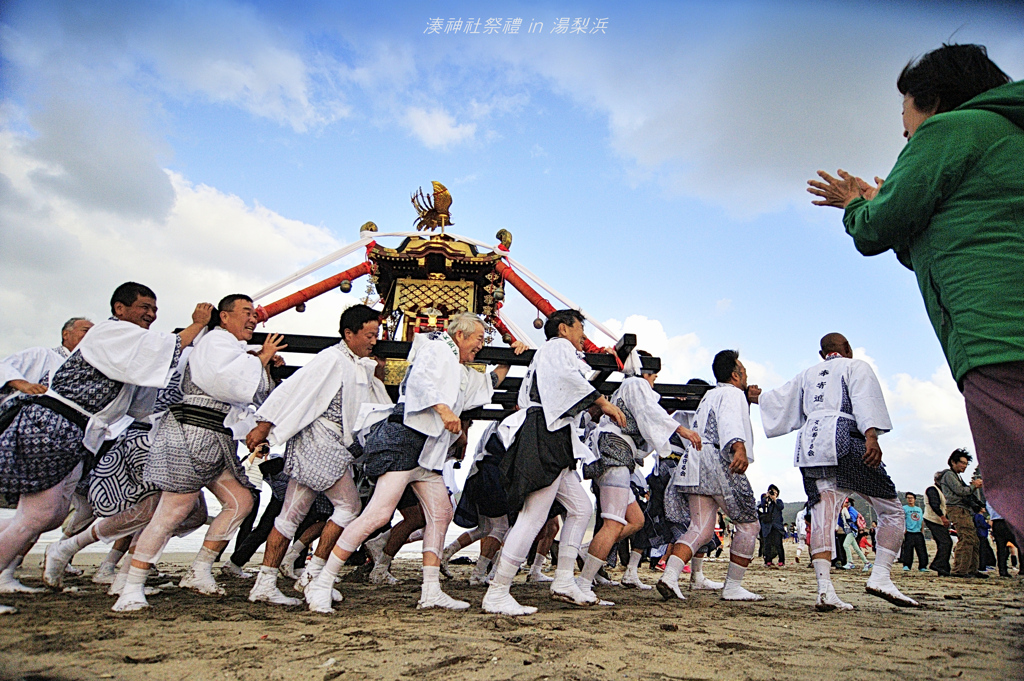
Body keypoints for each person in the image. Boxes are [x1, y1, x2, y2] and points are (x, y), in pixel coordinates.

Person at [808, 43, 1024, 545]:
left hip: (995, 333)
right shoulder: (1009, 135)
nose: (904, 130)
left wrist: (858, 203)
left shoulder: (950, 130)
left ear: (930, 100)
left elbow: (877, 230)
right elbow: (928, 245)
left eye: (906, 113)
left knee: (1016, 473)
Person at [0, 283, 211, 600]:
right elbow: (163, 349)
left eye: (154, 309)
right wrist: (197, 324)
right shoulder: (109, 333)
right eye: (144, 307)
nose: (151, 315)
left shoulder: (129, 346)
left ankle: (11, 571)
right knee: (39, 514)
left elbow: (141, 403)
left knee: (52, 514)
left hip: (79, 432)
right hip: (54, 422)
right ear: (119, 309)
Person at [303, 313, 521, 613]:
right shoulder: (435, 347)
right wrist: (444, 410)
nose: (481, 346)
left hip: (427, 454)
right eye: (479, 339)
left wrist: (508, 359)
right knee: (378, 515)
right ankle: (322, 582)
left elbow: (484, 385)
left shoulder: (460, 369)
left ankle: (431, 590)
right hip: (405, 441)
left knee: (441, 513)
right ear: (460, 335)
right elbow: (420, 381)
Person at [112, 294, 284, 612]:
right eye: (246, 312)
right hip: (191, 430)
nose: (253, 318)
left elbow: (254, 393)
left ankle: (199, 569)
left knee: (242, 502)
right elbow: (227, 383)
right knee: (172, 512)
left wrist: (263, 365)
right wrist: (260, 360)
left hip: (216, 435)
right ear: (225, 317)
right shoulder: (215, 342)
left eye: (253, 313)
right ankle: (130, 586)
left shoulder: (232, 349)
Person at [242, 304, 391, 606]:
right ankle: (314, 574)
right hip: (320, 441)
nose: (373, 341)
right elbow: (294, 389)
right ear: (349, 334)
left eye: (376, 335)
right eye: (369, 335)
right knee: (349, 507)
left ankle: (265, 583)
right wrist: (264, 425)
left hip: (324, 444)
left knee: (290, 515)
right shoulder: (332, 358)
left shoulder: (355, 364)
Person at [754, 333, 917, 609]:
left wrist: (754, 397)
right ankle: (880, 576)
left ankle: (824, 590)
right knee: (891, 510)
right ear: (848, 349)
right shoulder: (855, 366)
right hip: (846, 440)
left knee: (822, 517)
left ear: (822, 355)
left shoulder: (807, 374)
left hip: (811, 447)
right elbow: (865, 400)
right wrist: (871, 436)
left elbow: (778, 399)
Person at [481, 309, 627, 616]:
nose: (582, 336)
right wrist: (603, 403)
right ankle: (497, 591)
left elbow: (533, 397)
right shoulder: (559, 347)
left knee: (580, 508)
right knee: (533, 516)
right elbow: (569, 380)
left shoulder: (544, 355)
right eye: (579, 329)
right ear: (563, 329)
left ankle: (563, 580)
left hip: (549, 432)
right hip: (547, 433)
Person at [576, 351, 702, 602]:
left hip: (616, 452)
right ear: (645, 372)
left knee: (635, 520)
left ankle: (584, 552)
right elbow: (649, 413)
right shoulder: (634, 384)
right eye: (654, 375)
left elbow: (648, 414)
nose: (654, 380)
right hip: (615, 450)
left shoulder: (629, 388)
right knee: (613, 522)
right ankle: (583, 583)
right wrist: (681, 430)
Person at [656, 350, 763, 603]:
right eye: (744, 371)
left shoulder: (709, 396)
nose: (746, 376)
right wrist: (738, 446)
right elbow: (729, 422)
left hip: (695, 461)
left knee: (700, 528)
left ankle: (670, 576)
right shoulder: (732, 393)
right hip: (718, 460)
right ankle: (733, 586)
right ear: (735, 375)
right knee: (748, 524)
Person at [940, 449, 985, 579]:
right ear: (953, 462)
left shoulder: (956, 475)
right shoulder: (949, 475)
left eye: (966, 464)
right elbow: (960, 491)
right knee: (966, 538)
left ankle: (971, 569)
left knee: (973, 539)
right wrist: (973, 486)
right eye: (962, 463)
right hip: (957, 509)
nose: (964, 466)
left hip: (963, 510)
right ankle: (960, 570)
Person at [923, 471, 952, 576]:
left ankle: (944, 568)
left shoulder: (940, 490)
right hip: (933, 519)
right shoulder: (932, 489)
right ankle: (938, 564)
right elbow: (934, 504)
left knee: (943, 543)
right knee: (946, 542)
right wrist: (943, 517)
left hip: (937, 520)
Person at [988, 502, 1019, 578]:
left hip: (996, 523)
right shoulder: (1007, 498)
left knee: (1001, 548)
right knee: (1019, 545)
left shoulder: (991, 500)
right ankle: (1022, 568)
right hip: (1008, 521)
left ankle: (1002, 570)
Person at [900, 493, 929, 572]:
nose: (910, 499)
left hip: (918, 532)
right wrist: (904, 529)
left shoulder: (919, 509)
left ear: (914, 499)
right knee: (908, 550)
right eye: (908, 498)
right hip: (909, 532)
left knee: (922, 550)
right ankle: (906, 565)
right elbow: (901, 519)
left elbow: (921, 520)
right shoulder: (904, 508)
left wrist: (922, 530)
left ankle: (923, 566)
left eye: (911, 498)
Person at [758, 485, 785, 567]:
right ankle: (768, 560)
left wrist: (774, 499)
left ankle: (781, 560)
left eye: (774, 492)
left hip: (777, 526)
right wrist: (766, 498)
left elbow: (781, 507)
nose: (772, 493)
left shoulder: (779, 501)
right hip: (767, 526)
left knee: (778, 544)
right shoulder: (765, 501)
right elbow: (761, 507)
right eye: (771, 491)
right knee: (767, 544)